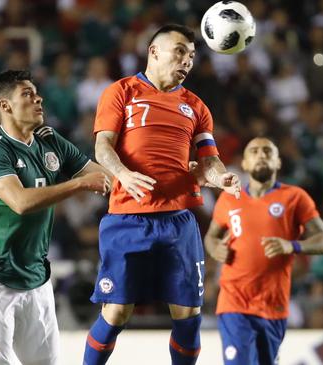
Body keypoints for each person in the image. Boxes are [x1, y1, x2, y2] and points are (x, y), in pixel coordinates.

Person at [83, 24, 242, 365]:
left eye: (193, 56)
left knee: (189, 315)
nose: (187, 60)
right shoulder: (121, 91)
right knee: (117, 313)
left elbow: (209, 160)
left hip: (179, 221)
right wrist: (123, 174)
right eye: (180, 51)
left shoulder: (195, 106)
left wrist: (221, 178)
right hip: (128, 218)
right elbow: (102, 147)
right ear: (154, 52)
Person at [0, 70, 111, 365]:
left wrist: (171, 175)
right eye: (27, 95)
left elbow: (107, 177)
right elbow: (19, 201)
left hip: (37, 278)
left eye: (36, 92)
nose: (38, 98)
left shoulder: (49, 139)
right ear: (5, 106)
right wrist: (78, 184)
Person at [204, 137, 323, 365]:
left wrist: (292, 245)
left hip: (273, 304)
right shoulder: (228, 199)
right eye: (254, 151)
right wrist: (215, 248)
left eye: (267, 151)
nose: (261, 155)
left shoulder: (295, 197)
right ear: (244, 164)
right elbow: (211, 237)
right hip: (234, 300)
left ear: (278, 162)